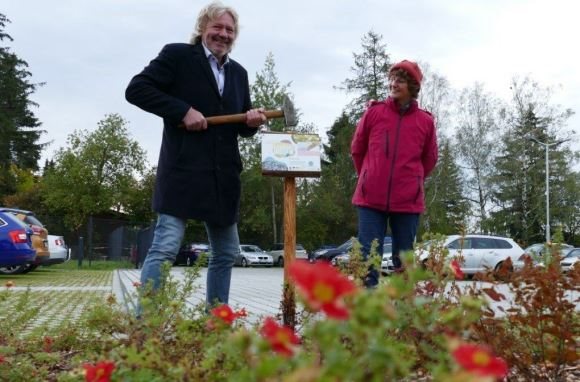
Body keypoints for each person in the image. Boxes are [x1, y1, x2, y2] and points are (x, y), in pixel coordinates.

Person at [125, 2, 266, 308]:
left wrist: (251, 121)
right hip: (183, 171)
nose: (223, 34)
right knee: (164, 248)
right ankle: (145, 327)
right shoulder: (178, 56)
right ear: (203, 28)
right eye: (217, 27)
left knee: (226, 253)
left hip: (222, 177)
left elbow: (240, 126)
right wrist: (183, 110)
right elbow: (136, 89)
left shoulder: (239, 74)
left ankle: (216, 323)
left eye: (229, 30)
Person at [351, 60, 438, 287]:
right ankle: (367, 317)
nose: (393, 84)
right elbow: (357, 149)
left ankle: (404, 315)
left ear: (412, 86)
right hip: (370, 200)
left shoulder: (426, 122)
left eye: (400, 80)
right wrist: (369, 176)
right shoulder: (374, 113)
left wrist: (412, 181)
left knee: (404, 263)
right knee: (368, 260)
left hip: (407, 202)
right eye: (392, 79)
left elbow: (429, 159)